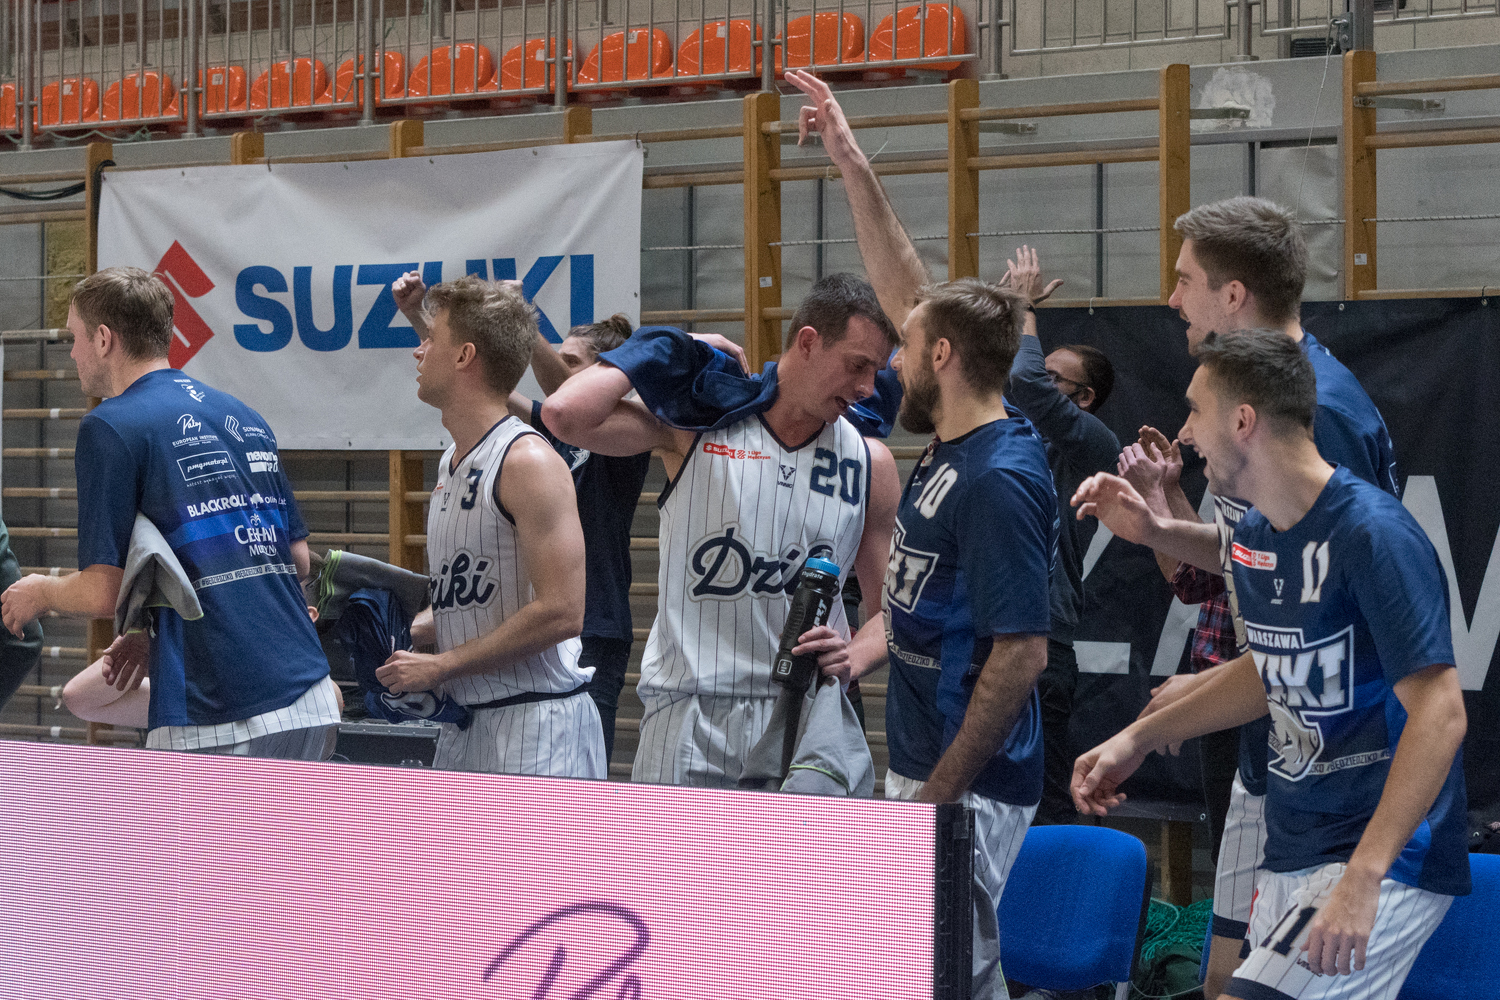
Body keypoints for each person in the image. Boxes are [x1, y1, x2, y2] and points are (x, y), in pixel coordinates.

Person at [1073, 329, 1468, 1000]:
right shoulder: (1256, 534)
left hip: (1381, 854)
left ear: (1243, 422)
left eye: (1195, 411)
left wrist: (1365, 875)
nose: (1186, 434)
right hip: (1294, 844)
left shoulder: (1373, 533)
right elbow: (1267, 673)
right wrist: (1135, 739)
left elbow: (1442, 713)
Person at [788, 70, 1056, 999]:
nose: (891, 365)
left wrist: (941, 794)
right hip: (926, 767)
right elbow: (911, 289)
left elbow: (1021, 654)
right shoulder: (958, 433)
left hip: (964, 783)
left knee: (938, 981)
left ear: (941, 358)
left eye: (904, 349)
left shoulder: (997, 476)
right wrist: (850, 161)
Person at [1117, 196, 1401, 998]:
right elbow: (1253, 561)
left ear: (1233, 294)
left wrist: (1198, 700)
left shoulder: (1320, 413)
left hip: (1329, 769)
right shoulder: (1249, 397)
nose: (1172, 298)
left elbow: (1338, 630)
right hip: (1269, 749)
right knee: (1222, 979)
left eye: (1185, 280)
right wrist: (1157, 526)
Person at [543, 275, 900, 789]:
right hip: (687, 712)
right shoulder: (698, 424)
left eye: (875, 371)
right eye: (857, 365)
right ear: (808, 342)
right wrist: (668, 345)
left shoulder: (870, 462)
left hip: (800, 714)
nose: (868, 387)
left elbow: (890, 612)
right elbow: (563, 414)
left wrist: (854, 658)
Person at [0, 267, 339, 758]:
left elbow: (102, 591)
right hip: (311, 697)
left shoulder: (109, 426)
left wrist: (40, 591)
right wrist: (150, 628)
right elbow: (298, 561)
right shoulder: (243, 414)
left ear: (103, 339)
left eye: (75, 337)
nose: (71, 353)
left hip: (217, 710)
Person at [394, 274, 657, 767]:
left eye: (433, 340)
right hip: (469, 714)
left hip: (539, 714)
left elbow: (562, 612)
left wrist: (444, 663)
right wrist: (407, 626)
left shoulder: (532, 457)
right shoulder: (457, 457)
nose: (418, 351)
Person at [1001, 245, 1122, 825]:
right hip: (990, 636)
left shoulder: (1091, 442)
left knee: (1044, 804)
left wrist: (1023, 307)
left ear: (1084, 398)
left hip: (1044, 647)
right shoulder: (1010, 433)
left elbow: (1023, 380)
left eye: (1056, 380)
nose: (1037, 383)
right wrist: (1007, 309)